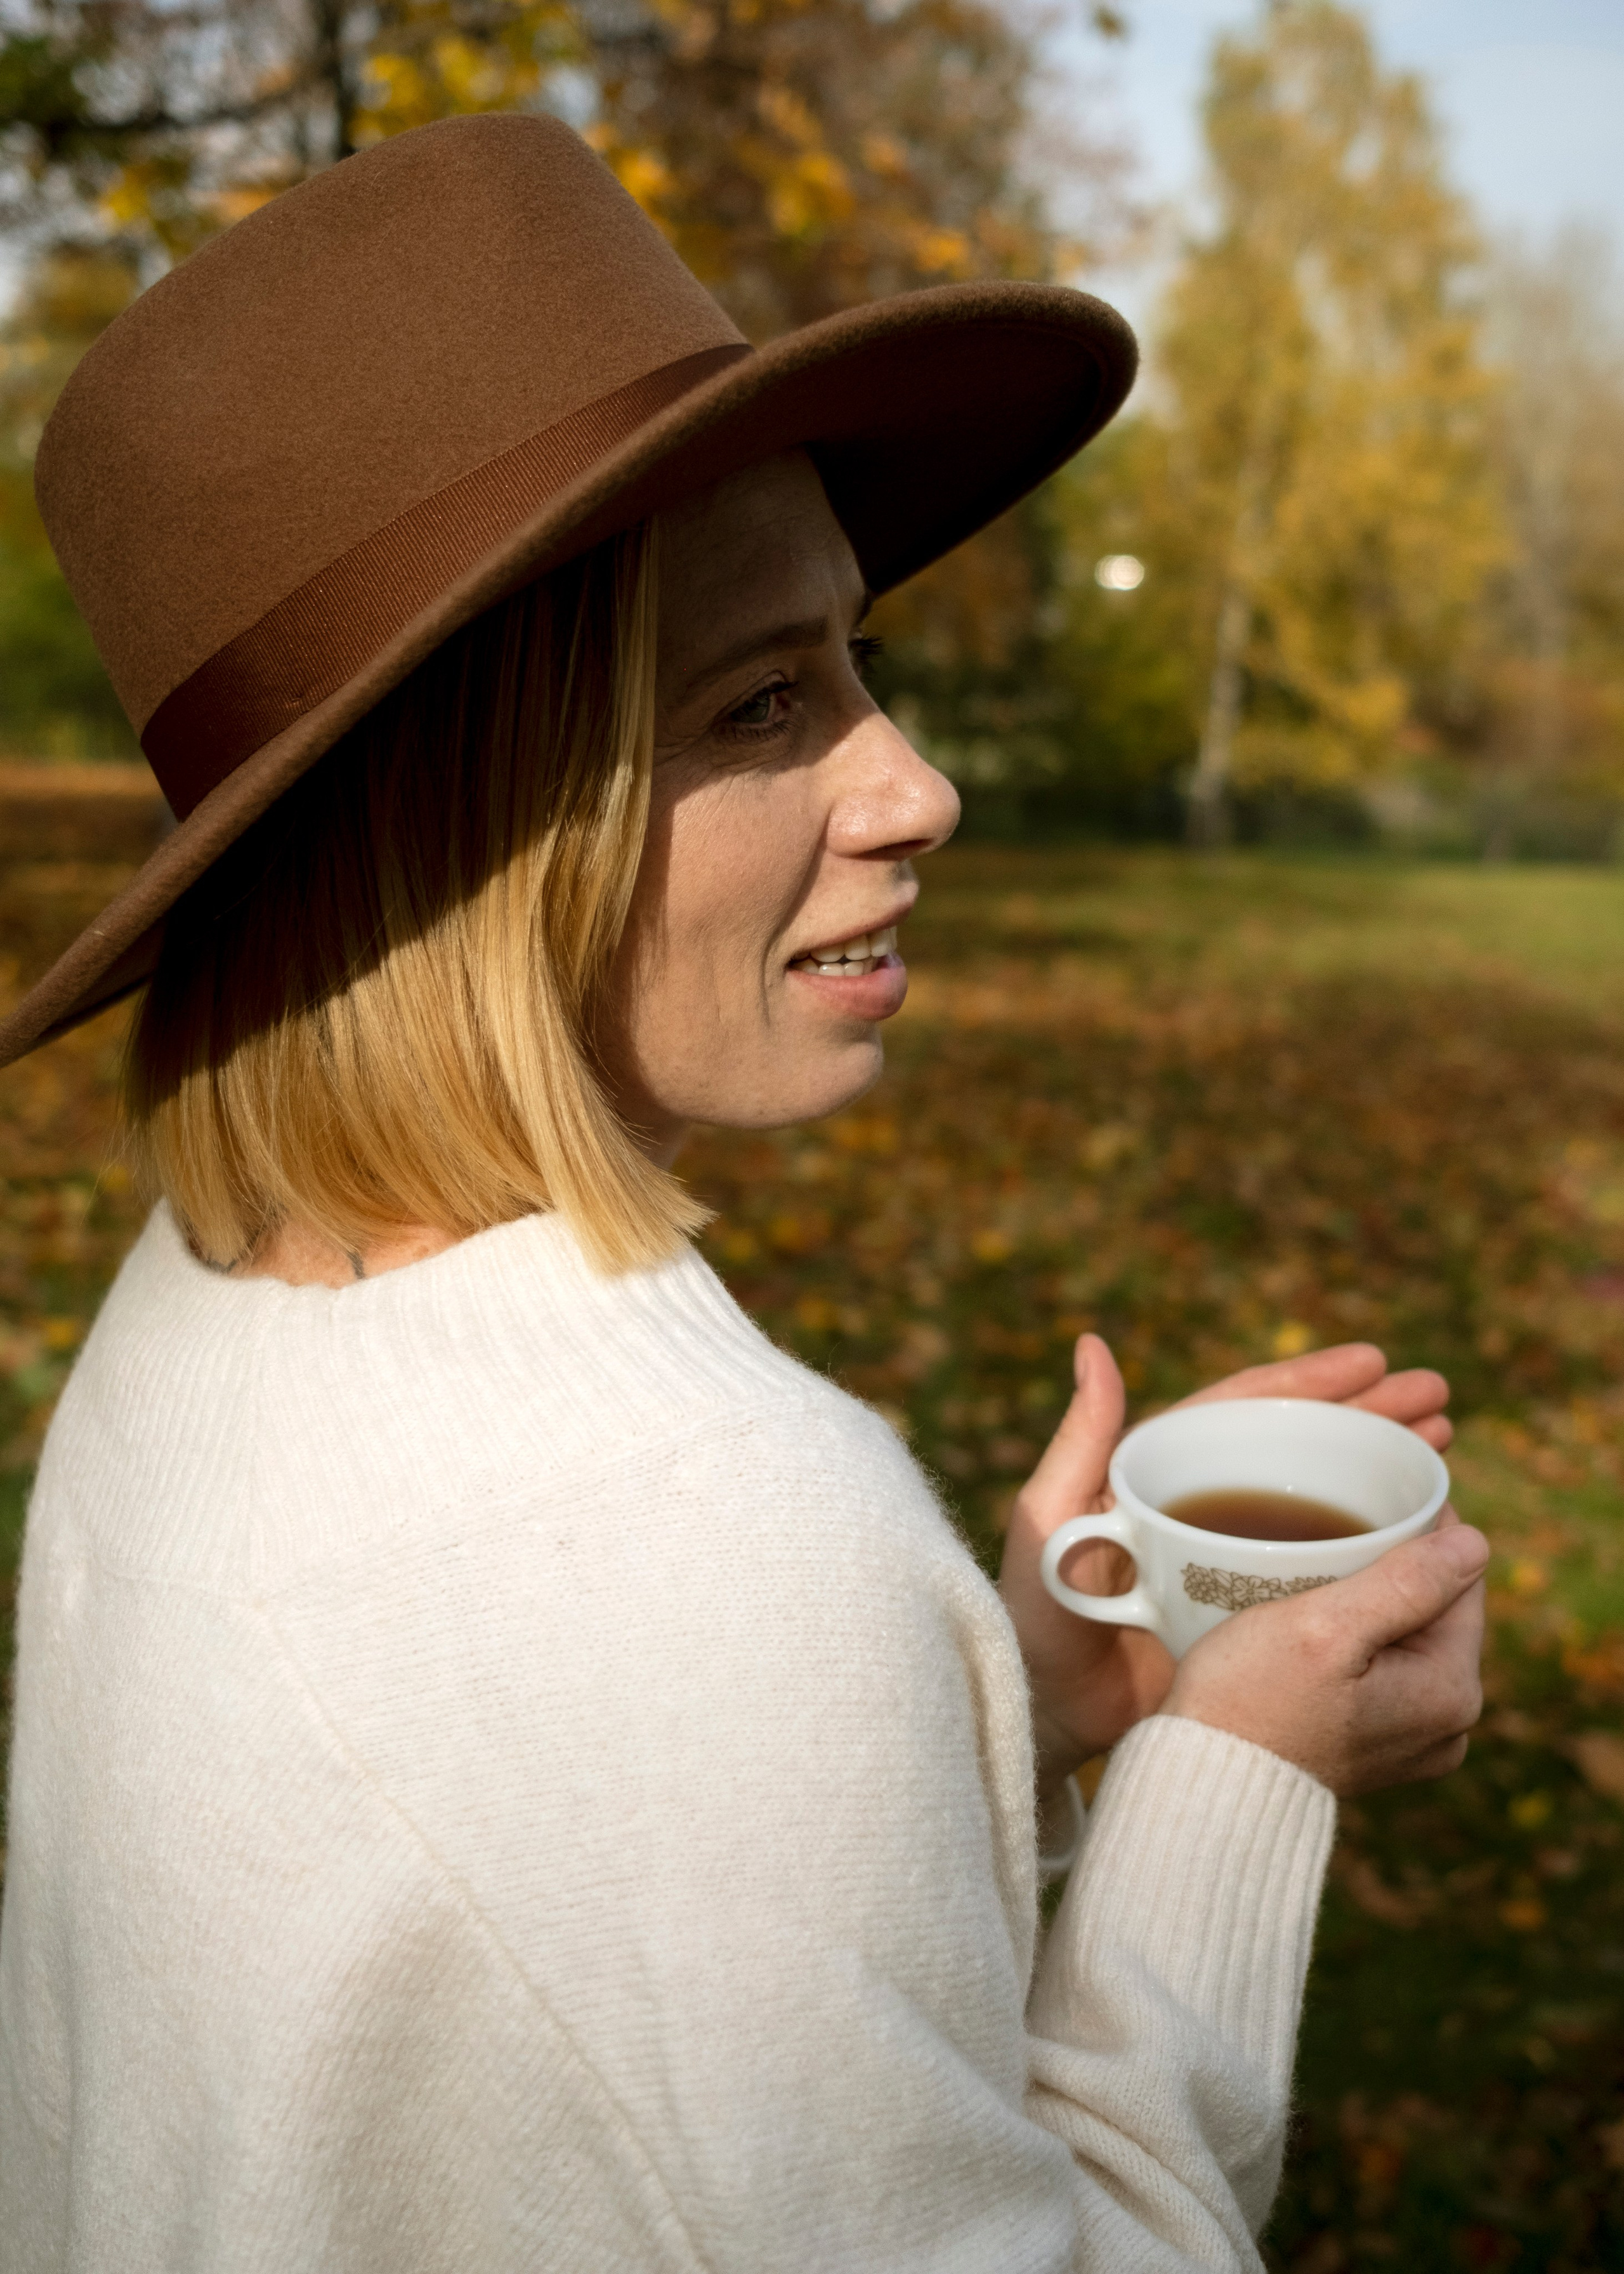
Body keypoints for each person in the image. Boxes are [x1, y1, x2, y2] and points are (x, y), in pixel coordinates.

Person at [0, 115, 1486, 2273]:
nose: (918, 786)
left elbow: (603, 2038)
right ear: (473, 826)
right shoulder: (698, 1537)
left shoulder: (211, 1318)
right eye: (763, 699)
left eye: (855, 663)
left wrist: (1001, 1725)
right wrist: (1233, 1788)